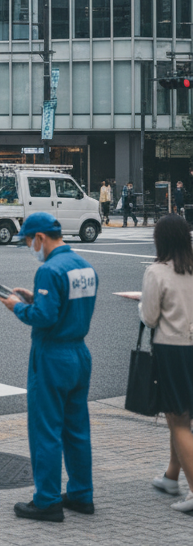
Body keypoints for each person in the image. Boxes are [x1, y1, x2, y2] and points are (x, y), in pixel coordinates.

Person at [0, 212, 97, 522]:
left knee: (46, 430)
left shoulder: (49, 270)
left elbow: (44, 318)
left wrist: (18, 307)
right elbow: (64, 304)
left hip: (53, 356)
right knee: (77, 428)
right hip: (79, 352)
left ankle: (47, 500)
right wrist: (34, 300)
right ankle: (82, 494)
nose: (30, 247)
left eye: (29, 241)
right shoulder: (85, 267)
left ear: (40, 238)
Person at [139, 212, 193, 511]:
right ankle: (171, 476)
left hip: (172, 348)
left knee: (177, 418)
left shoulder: (157, 272)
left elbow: (149, 317)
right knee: (184, 414)